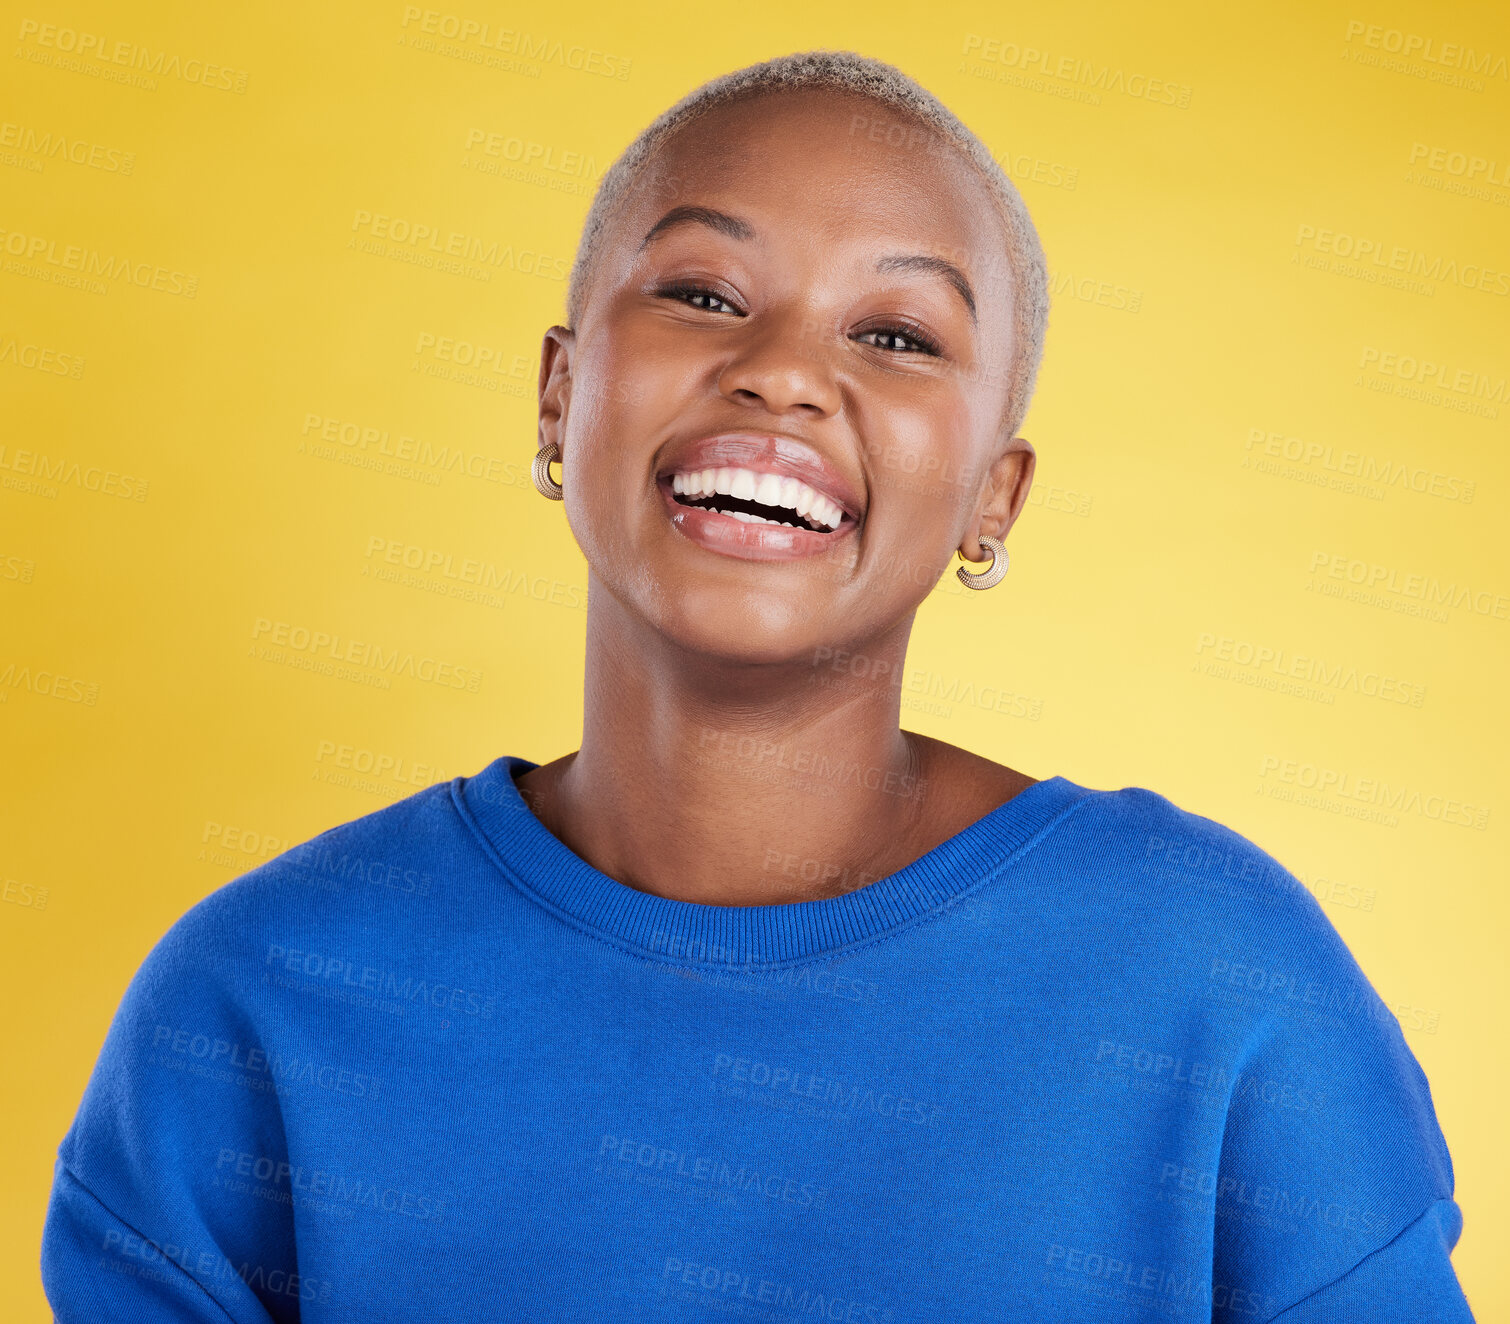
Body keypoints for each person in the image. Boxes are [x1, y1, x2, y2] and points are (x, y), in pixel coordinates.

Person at [41, 49, 1474, 1322]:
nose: (781, 373)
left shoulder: (1221, 988)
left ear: (993, 495)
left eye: (897, 335)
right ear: (557, 394)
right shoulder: (255, 1001)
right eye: (703, 294)